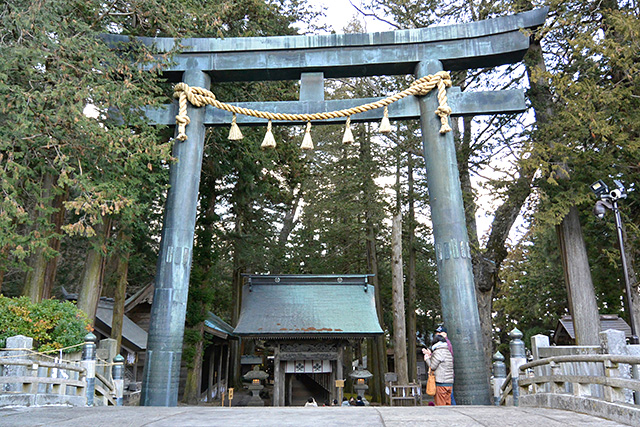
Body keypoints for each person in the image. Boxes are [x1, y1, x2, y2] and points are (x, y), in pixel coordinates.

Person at [423, 334, 454, 406]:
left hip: (441, 383)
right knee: (447, 404)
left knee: (441, 406)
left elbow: (433, 366)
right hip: (449, 383)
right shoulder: (447, 351)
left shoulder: (439, 352)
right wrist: (431, 355)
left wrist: (427, 359)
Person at [435, 325, 456, 405]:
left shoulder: (444, 344)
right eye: (437, 332)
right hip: (448, 375)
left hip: (444, 375)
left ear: (445, 334)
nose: (438, 334)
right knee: (449, 397)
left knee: (447, 398)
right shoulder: (445, 344)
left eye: (440, 332)